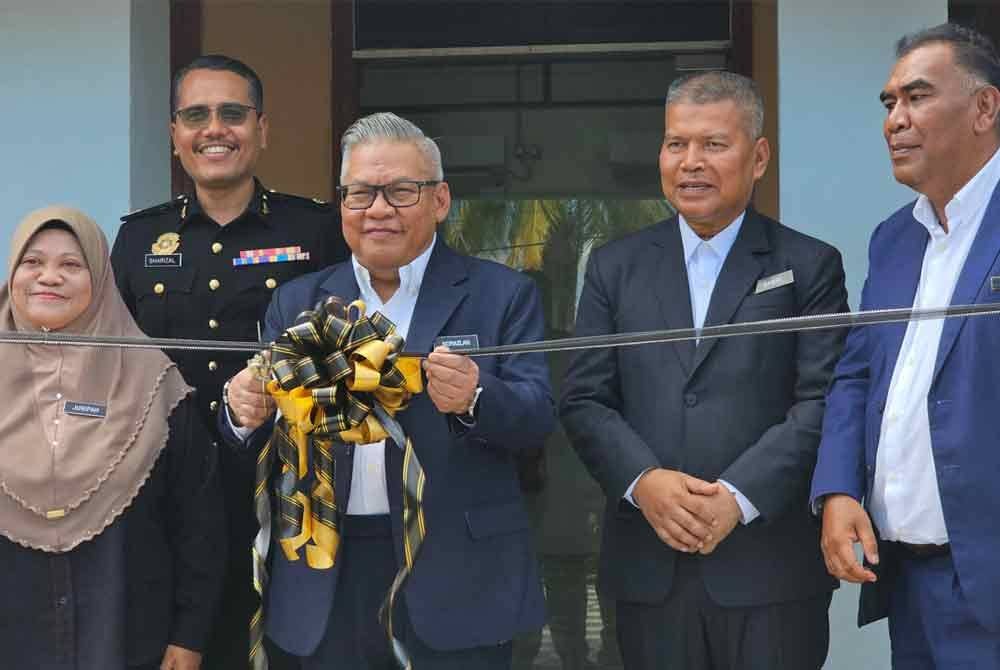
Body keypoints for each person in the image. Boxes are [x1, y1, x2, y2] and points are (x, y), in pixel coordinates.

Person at [222, 112, 553, 669]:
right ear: (342, 204)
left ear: (440, 200)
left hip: (458, 576)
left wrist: (476, 397)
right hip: (324, 574)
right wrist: (240, 414)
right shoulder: (297, 302)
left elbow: (538, 418)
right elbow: (265, 438)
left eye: (401, 191)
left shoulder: (502, 294)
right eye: (360, 193)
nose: (378, 209)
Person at [559, 71, 848, 670]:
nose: (691, 162)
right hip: (649, 565)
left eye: (714, 144)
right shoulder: (616, 267)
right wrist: (645, 482)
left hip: (769, 567)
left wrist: (737, 498)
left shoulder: (809, 264)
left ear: (759, 155)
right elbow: (585, 399)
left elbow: (824, 399)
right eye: (676, 144)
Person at [110, 54, 349, 669]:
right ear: (174, 136)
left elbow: (350, 351)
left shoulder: (317, 230)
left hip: (286, 488)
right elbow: (112, 363)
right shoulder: (140, 239)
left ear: (262, 129)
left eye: (232, 114)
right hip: (168, 495)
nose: (214, 128)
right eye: (196, 115)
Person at [811, 23, 1000, 668]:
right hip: (910, 582)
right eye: (889, 103)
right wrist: (837, 489)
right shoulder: (894, 239)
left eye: (917, 97)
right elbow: (856, 377)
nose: (896, 119)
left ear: (984, 108)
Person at [0, 206, 225, 670]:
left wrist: (189, 636)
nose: (49, 277)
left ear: (101, 278)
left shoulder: (155, 386)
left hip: (126, 637)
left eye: (71, 265)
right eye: (33, 262)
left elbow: (199, 526)